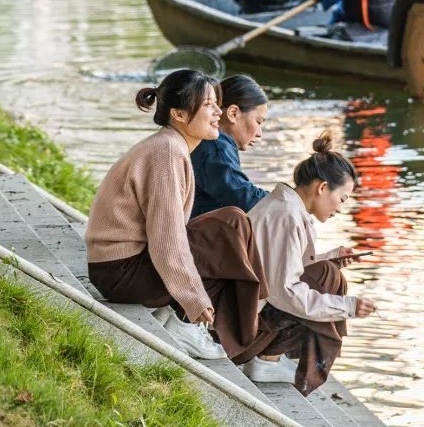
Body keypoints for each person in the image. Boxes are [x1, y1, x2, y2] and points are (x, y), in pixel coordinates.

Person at [85, 69, 270, 364]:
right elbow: (167, 238)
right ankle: (190, 323)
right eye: (209, 105)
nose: (217, 113)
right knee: (229, 225)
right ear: (180, 115)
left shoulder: (172, 146)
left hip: (123, 267)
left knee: (232, 221)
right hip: (121, 272)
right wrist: (193, 299)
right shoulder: (167, 152)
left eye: (217, 104)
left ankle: (209, 322)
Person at [244, 132, 377, 394]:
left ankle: (276, 358)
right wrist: (347, 306)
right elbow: (286, 291)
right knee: (328, 277)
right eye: (342, 199)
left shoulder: (285, 207)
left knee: (328, 270)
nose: (340, 208)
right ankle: (267, 358)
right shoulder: (288, 215)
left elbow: (281, 267)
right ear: (322, 187)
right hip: (243, 323)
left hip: (249, 306)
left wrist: (331, 258)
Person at [191, 73, 269, 218]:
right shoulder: (216, 147)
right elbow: (244, 199)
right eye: (258, 122)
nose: (259, 133)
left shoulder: (205, 141)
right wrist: (291, 200)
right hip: (193, 237)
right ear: (233, 113)